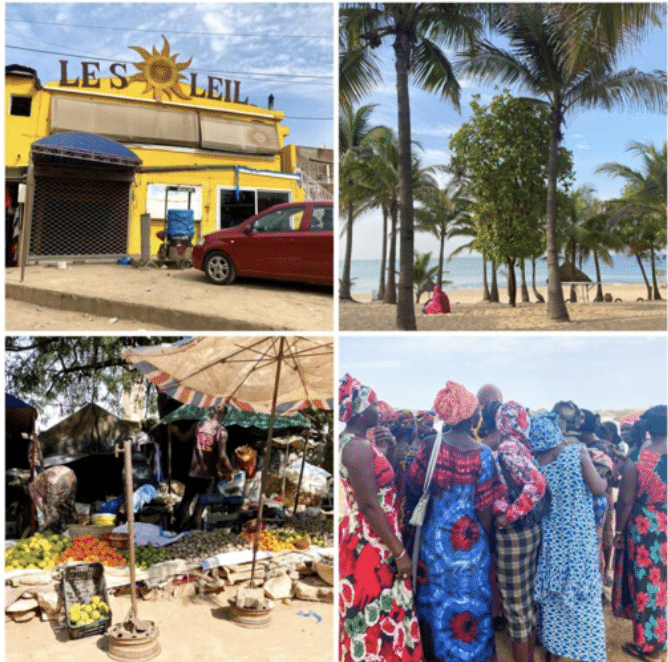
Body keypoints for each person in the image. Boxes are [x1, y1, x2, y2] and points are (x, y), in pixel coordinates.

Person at [405, 381, 501, 662]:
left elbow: (413, 487)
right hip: (472, 549)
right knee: (473, 608)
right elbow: (485, 508)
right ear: (471, 415)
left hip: (433, 548)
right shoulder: (482, 454)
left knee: (436, 609)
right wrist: (488, 542)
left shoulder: (429, 446)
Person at [338, 374, 423, 662]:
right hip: (373, 543)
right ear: (361, 409)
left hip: (372, 536)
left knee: (377, 611)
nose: (379, 409)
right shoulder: (357, 446)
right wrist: (398, 552)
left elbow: (373, 484)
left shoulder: (357, 442)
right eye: (373, 404)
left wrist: (384, 452)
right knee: (372, 611)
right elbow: (369, 505)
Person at [530, 412, 608, 662]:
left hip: (553, 540)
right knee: (583, 600)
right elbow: (597, 489)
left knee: (555, 601)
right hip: (580, 539)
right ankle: (588, 651)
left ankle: (554, 654)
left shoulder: (536, 464)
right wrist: (605, 476)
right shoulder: (578, 453)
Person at [492, 402, 547, 662]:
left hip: (515, 534)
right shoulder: (523, 446)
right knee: (527, 601)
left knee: (515, 605)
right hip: (530, 529)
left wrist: (510, 515)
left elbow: (537, 484)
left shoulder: (508, 447)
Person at [612, 405, 667, 662]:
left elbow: (624, 503)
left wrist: (619, 532)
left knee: (647, 585)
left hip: (646, 530)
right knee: (663, 585)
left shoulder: (638, 460)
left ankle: (650, 647)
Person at [172, 406, 233, 532]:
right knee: (201, 505)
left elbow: (183, 438)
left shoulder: (198, 425)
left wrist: (175, 431)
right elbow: (222, 456)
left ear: (212, 412)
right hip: (209, 476)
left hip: (193, 473)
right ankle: (192, 527)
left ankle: (177, 530)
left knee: (186, 501)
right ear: (224, 415)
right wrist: (229, 470)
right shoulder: (221, 431)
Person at [28, 465, 78, 533]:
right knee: (69, 505)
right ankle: (75, 530)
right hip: (70, 473)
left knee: (52, 510)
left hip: (55, 480)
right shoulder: (38, 479)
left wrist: (44, 526)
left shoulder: (32, 488)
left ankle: (55, 532)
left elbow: (43, 507)